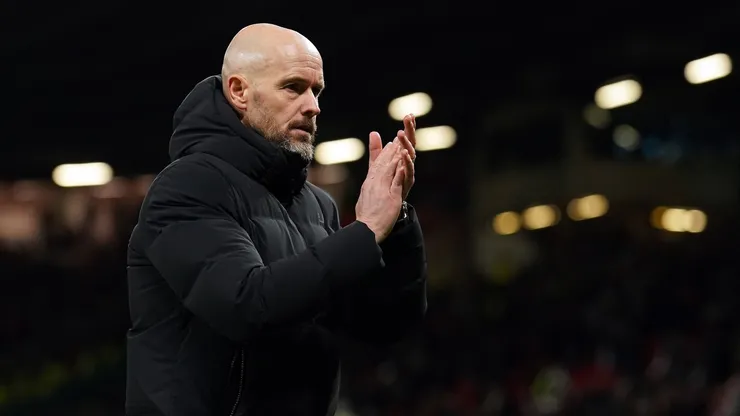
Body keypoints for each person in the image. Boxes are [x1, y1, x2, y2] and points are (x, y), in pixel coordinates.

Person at [125, 23, 427, 416]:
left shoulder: (317, 206)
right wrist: (365, 230)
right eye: (293, 87)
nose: (313, 106)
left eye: (316, 91)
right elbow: (247, 306)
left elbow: (383, 324)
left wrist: (395, 217)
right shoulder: (187, 187)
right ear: (239, 91)